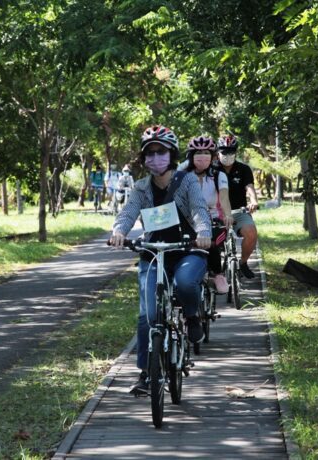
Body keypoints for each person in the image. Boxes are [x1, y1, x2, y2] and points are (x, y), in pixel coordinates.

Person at [109, 125, 212, 394]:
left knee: (186, 283)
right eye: (150, 154)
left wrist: (203, 233)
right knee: (147, 315)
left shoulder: (187, 181)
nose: (156, 158)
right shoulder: (141, 187)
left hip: (188, 249)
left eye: (161, 152)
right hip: (153, 252)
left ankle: (191, 318)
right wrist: (119, 231)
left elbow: (200, 209)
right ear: (144, 159)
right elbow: (128, 212)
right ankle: (146, 373)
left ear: (172, 155)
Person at [183, 135, 232, 294]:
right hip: (186, 219)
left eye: (206, 153)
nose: (202, 156)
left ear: (212, 156)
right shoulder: (181, 173)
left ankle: (217, 274)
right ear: (190, 156)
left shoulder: (219, 175)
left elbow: (224, 198)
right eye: (198, 153)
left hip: (213, 218)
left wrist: (227, 215)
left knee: (211, 243)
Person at [215, 134, 260, 278]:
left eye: (231, 152)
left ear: (236, 152)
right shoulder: (212, 169)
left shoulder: (244, 169)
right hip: (217, 213)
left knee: (251, 232)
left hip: (239, 211)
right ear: (217, 152)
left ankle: (243, 263)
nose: (227, 155)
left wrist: (253, 201)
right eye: (224, 152)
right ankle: (213, 272)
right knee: (210, 241)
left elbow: (250, 187)